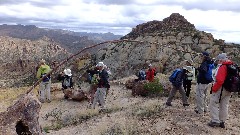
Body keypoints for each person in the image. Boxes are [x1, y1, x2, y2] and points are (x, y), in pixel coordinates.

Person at [208, 53, 232, 128]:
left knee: (213, 103)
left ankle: (215, 120)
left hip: (220, 88)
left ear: (221, 60)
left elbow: (220, 80)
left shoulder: (222, 67)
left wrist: (214, 89)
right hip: (229, 89)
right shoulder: (231, 66)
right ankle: (222, 121)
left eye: (218, 60)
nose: (217, 61)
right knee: (224, 105)